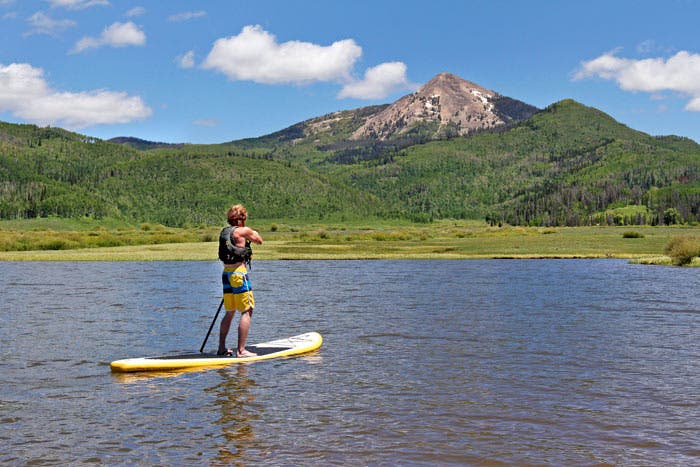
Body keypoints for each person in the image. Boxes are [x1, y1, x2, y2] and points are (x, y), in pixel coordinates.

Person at [218, 204, 263, 357]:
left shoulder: (225, 232)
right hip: (238, 274)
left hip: (226, 274)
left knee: (229, 311)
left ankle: (222, 348)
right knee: (247, 310)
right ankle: (242, 351)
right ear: (242, 218)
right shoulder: (244, 231)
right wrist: (252, 231)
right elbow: (259, 240)